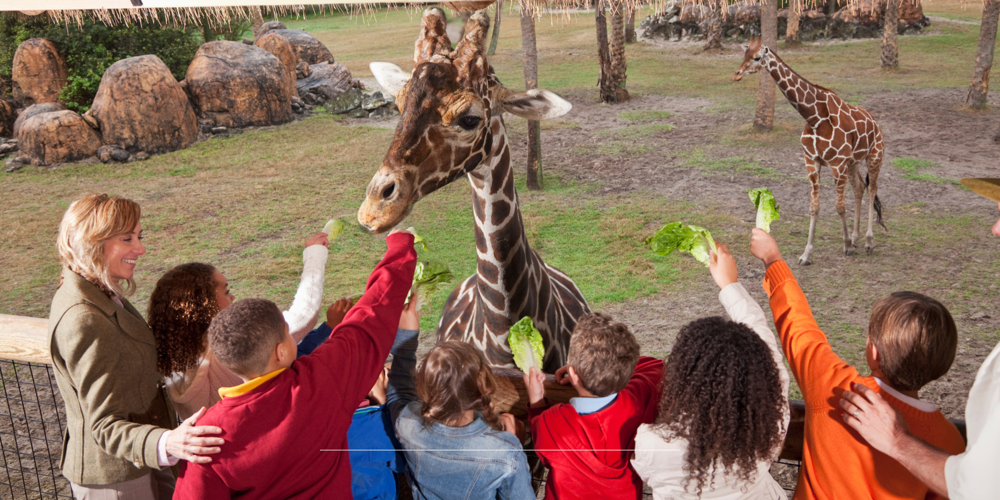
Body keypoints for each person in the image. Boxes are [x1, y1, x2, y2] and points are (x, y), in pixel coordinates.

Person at [172, 228, 415, 499]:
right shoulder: (320, 383)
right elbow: (371, 314)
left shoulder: (206, 437)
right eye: (288, 334)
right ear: (281, 352)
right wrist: (400, 246)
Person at [749, 227, 966, 499]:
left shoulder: (835, 389)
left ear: (873, 352)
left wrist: (772, 259)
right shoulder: (950, 443)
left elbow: (799, 327)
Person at [48, 193, 223, 499]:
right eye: (127, 239)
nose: (140, 249)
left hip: (142, 461)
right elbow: (104, 426)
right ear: (92, 240)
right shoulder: (85, 317)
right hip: (116, 478)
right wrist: (167, 442)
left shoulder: (96, 289)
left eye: (139, 237)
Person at [839, 177, 1000, 499]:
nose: (995, 229)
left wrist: (897, 439)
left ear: (873, 351)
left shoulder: (839, 395)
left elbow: (977, 487)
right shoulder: (949, 439)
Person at [631, 243, 790, 499]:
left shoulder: (653, 443)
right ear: (759, 373)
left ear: (684, 374)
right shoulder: (773, 417)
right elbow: (766, 343)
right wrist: (729, 285)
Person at [147, 232, 332, 421]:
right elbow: (304, 314)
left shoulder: (175, 354)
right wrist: (314, 253)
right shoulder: (228, 346)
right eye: (226, 291)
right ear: (204, 305)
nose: (233, 297)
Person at [522, 312, 662, 500]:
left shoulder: (552, 422)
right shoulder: (639, 398)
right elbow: (656, 365)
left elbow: (541, 445)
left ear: (572, 375)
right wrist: (615, 370)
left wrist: (537, 401)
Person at [395, 341, 533, 500]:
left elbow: (401, 399)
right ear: (481, 386)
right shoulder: (505, 452)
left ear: (424, 387)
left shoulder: (407, 424)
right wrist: (516, 444)